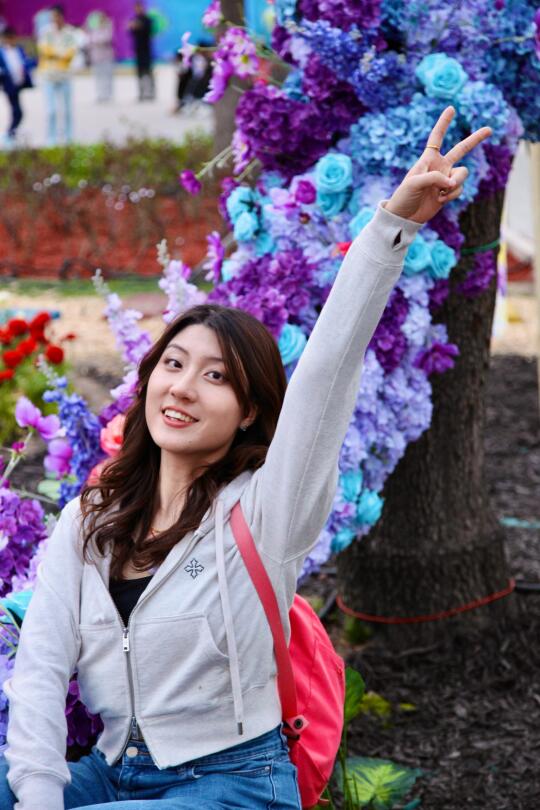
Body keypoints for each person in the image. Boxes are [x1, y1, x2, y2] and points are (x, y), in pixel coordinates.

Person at [0, 107, 490, 809]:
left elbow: (327, 371)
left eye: (215, 376)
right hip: (111, 773)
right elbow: (41, 670)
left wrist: (393, 227)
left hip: (233, 785)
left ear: (251, 410)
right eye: (173, 364)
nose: (182, 387)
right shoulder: (90, 518)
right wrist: (39, 796)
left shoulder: (266, 510)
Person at [37, 4, 78, 145]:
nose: (53, 19)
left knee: (67, 110)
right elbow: (44, 51)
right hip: (48, 75)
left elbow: (70, 54)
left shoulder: (70, 33)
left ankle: (69, 138)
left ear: (61, 16)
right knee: (51, 110)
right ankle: (51, 139)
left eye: (55, 16)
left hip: (64, 75)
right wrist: (60, 53)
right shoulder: (46, 32)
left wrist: (55, 53)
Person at [0, 27, 34, 147]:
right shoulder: (2, 52)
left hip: (18, 83)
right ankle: (10, 133)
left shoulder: (19, 50)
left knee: (17, 111)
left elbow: (25, 63)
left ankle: (11, 133)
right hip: (9, 85)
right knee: (17, 111)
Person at [128, 1, 154, 101]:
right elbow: (130, 32)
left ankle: (150, 92)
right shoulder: (134, 19)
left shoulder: (147, 19)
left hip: (146, 49)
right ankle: (142, 92)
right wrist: (132, 27)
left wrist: (139, 26)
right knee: (140, 72)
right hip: (138, 50)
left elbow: (148, 29)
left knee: (147, 71)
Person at [86, 11, 115, 103]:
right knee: (98, 76)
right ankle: (100, 94)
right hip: (96, 56)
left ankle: (108, 94)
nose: (101, 20)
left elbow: (107, 39)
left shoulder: (108, 28)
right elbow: (90, 41)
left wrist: (98, 42)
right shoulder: (94, 30)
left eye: (103, 18)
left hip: (106, 56)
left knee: (107, 76)